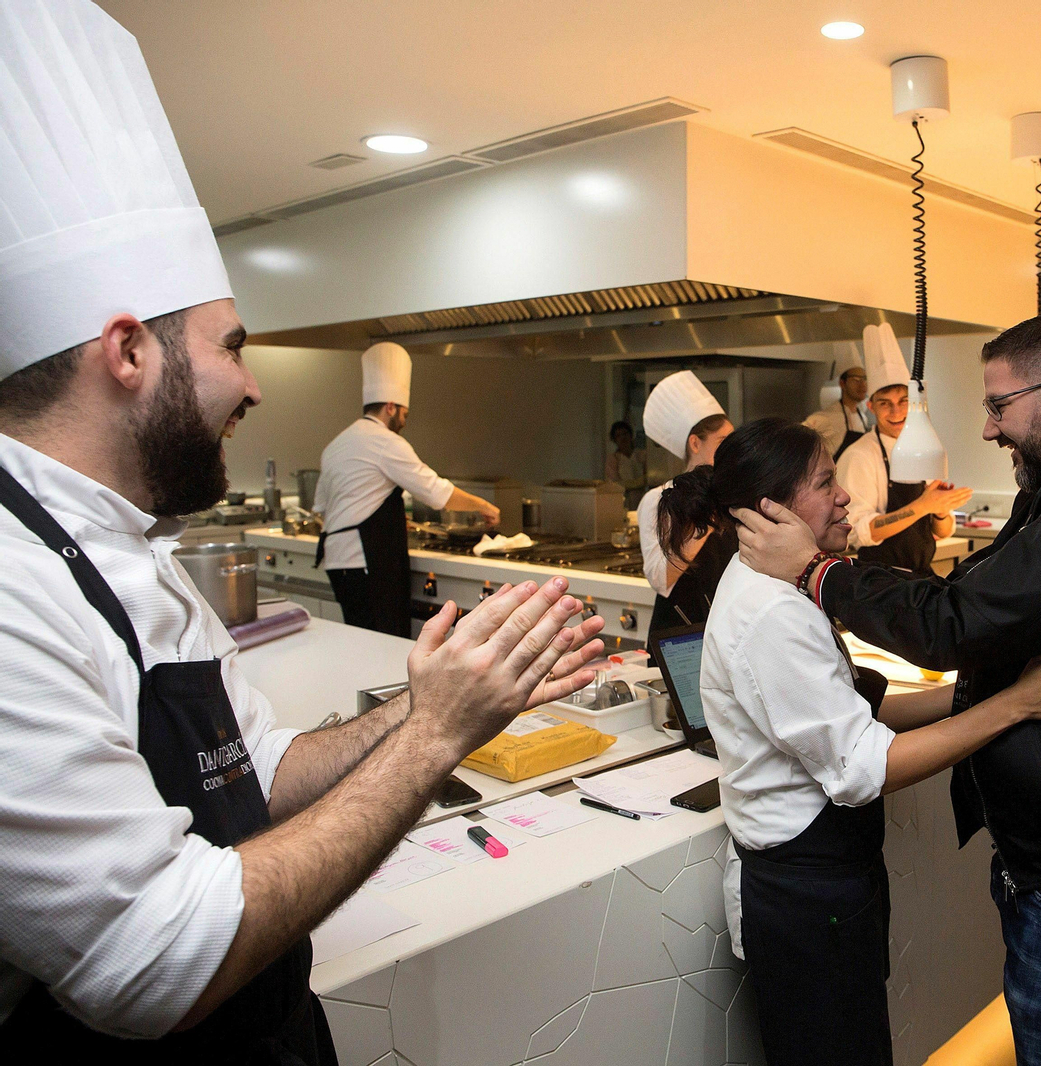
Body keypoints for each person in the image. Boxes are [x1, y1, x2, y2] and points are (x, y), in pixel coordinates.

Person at [0, 4, 607, 1057]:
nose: (252, 382)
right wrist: (432, 737)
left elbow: (259, 770)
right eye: (231, 346)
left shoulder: (132, 545)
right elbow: (149, 963)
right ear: (127, 351)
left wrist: (434, 697)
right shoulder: (11, 582)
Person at [735, 313, 1041, 1065]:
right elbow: (980, 592)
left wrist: (819, 572)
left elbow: (958, 622)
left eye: (998, 406)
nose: (991, 430)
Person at [658, 417, 1041, 1066]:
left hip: (826, 885)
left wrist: (993, 687)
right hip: (807, 894)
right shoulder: (771, 614)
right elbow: (863, 766)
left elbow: (860, 709)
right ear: (773, 510)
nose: (846, 496)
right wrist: (1020, 704)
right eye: (826, 483)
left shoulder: (783, 588)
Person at [315, 342, 499, 636]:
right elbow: (436, 492)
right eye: (404, 413)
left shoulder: (336, 444)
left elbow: (323, 508)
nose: (404, 421)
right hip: (367, 565)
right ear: (390, 406)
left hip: (338, 564)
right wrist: (484, 506)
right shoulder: (385, 441)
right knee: (383, 644)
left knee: (362, 641)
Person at [837, 328, 971, 576]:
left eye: (903, 401)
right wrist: (922, 505)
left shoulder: (924, 448)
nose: (896, 412)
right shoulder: (860, 456)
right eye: (884, 403)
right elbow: (860, 533)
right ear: (870, 407)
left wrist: (940, 510)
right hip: (879, 577)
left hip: (921, 574)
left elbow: (943, 531)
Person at [637, 370, 733, 646]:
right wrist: (704, 521)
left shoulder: (733, 495)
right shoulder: (660, 499)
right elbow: (659, 577)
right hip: (679, 632)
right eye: (722, 444)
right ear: (695, 443)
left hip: (724, 630)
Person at [803, 364, 871, 459]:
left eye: (864, 379)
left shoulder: (863, 418)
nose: (863, 385)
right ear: (842, 383)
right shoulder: (826, 417)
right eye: (856, 380)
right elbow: (798, 438)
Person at [603, 420, 647, 509]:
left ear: (631, 435)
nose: (623, 438)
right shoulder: (613, 459)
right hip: (622, 502)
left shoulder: (642, 455)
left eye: (625, 434)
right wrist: (638, 482)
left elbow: (650, 477)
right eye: (618, 436)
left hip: (642, 499)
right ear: (614, 439)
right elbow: (615, 484)